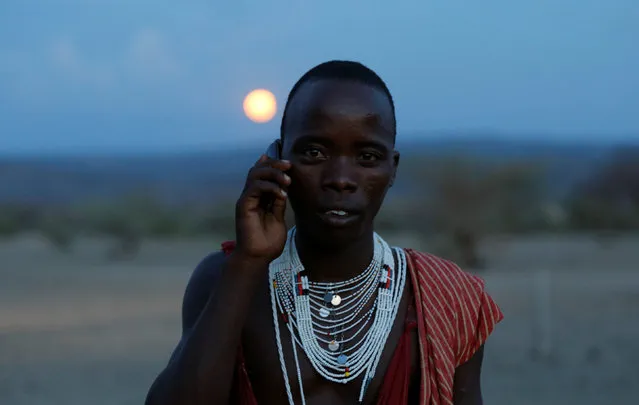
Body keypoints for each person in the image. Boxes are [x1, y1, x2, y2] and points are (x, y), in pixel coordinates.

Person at [144, 60, 503, 405]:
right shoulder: (225, 278)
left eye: (367, 156)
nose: (340, 179)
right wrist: (248, 262)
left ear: (391, 170)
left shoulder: (448, 299)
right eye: (314, 152)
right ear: (278, 159)